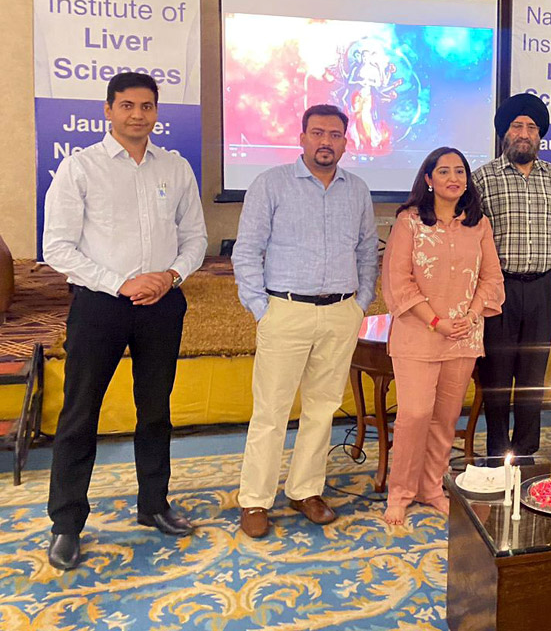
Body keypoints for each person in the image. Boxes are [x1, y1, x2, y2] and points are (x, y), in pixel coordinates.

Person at [42, 72, 207, 570]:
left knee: (155, 410)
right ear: (109, 110)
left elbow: (195, 237)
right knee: (79, 416)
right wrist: (122, 283)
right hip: (99, 307)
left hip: (163, 304)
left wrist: (170, 276)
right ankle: (67, 524)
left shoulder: (175, 169)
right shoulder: (80, 168)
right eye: (128, 105)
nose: (138, 114)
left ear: (157, 112)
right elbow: (57, 247)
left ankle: (154, 505)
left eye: (148, 106)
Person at [232, 104, 378, 538]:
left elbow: (368, 252)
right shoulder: (270, 184)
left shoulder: (357, 190)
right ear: (301, 138)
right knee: (271, 412)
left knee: (322, 409)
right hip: (285, 311)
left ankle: (305, 490)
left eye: (335, 135)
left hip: (340, 313)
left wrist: (360, 303)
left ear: (346, 143)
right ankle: (255, 500)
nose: (326, 142)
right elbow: (247, 251)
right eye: (317, 133)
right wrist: (262, 309)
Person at [381, 147, 504, 524]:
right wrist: (436, 322)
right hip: (419, 336)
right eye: (445, 171)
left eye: (460, 171)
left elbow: (492, 279)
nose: (454, 178)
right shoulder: (410, 222)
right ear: (429, 179)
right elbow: (398, 282)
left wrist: (471, 313)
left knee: (445, 418)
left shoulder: (478, 223)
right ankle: (400, 492)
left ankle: (432, 486)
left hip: (464, 336)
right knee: (415, 415)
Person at [474, 94, 551, 460]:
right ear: (505, 133)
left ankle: (527, 449)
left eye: (532, 128)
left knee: (533, 375)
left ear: (540, 136)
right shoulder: (483, 178)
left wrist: (545, 260)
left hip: (544, 287)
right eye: (517, 126)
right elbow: (472, 234)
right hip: (499, 289)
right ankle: (498, 451)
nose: (524, 133)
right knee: (496, 375)